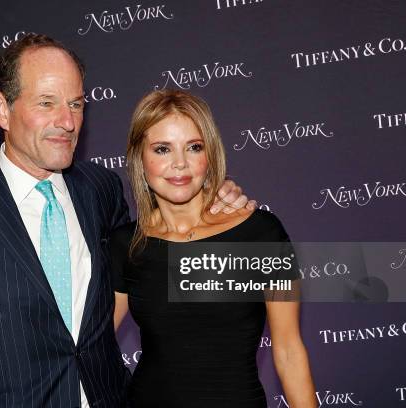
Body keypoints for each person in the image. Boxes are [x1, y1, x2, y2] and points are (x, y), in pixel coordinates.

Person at [0, 34, 254, 407]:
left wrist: (209, 204)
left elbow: (151, 266)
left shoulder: (100, 190)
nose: (67, 122)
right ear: (2, 109)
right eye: (47, 103)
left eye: (76, 104)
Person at [111, 90, 317, 407]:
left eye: (194, 147)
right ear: (140, 158)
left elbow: (289, 350)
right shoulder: (127, 244)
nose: (179, 164)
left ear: (211, 154)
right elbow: (91, 347)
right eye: (162, 149)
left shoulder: (260, 233)